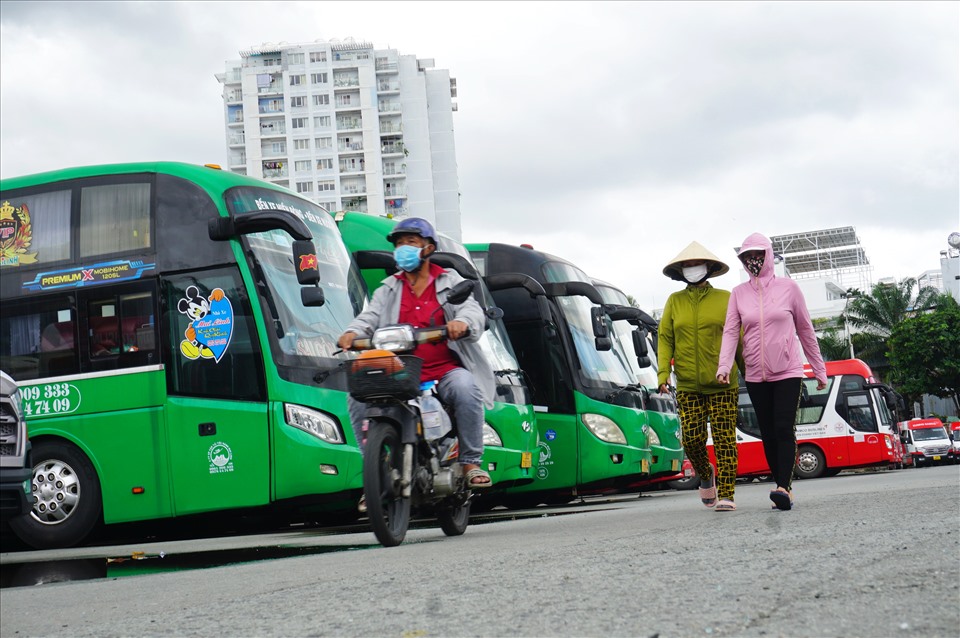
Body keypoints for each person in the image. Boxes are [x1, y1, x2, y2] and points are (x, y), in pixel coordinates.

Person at [337, 217, 495, 493]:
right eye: (399, 243)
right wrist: (351, 333)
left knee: (466, 388)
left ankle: (471, 462)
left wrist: (463, 323)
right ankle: (375, 471)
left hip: (443, 370)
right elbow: (368, 317)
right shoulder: (389, 287)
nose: (403, 248)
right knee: (356, 397)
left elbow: (471, 310)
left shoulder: (449, 280)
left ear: (428, 248)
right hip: (400, 369)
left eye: (411, 242)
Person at [716, 233, 827, 511]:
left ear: (768, 255)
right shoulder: (738, 294)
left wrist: (819, 369)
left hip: (788, 370)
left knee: (782, 427)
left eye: (758, 255)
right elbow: (730, 331)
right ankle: (782, 485)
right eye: (747, 257)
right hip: (755, 374)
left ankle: (783, 487)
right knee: (767, 431)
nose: (753, 260)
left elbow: (805, 330)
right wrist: (724, 365)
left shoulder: (789, 289)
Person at [657, 241, 742, 512]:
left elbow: (737, 338)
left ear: (708, 268)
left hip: (723, 384)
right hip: (687, 385)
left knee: (725, 439)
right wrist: (662, 374)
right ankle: (706, 473)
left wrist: (750, 371)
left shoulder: (727, 298)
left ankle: (727, 494)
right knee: (692, 440)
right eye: (687, 265)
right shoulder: (674, 301)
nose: (692, 269)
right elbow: (665, 338)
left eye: (696, 264)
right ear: (680, 271)